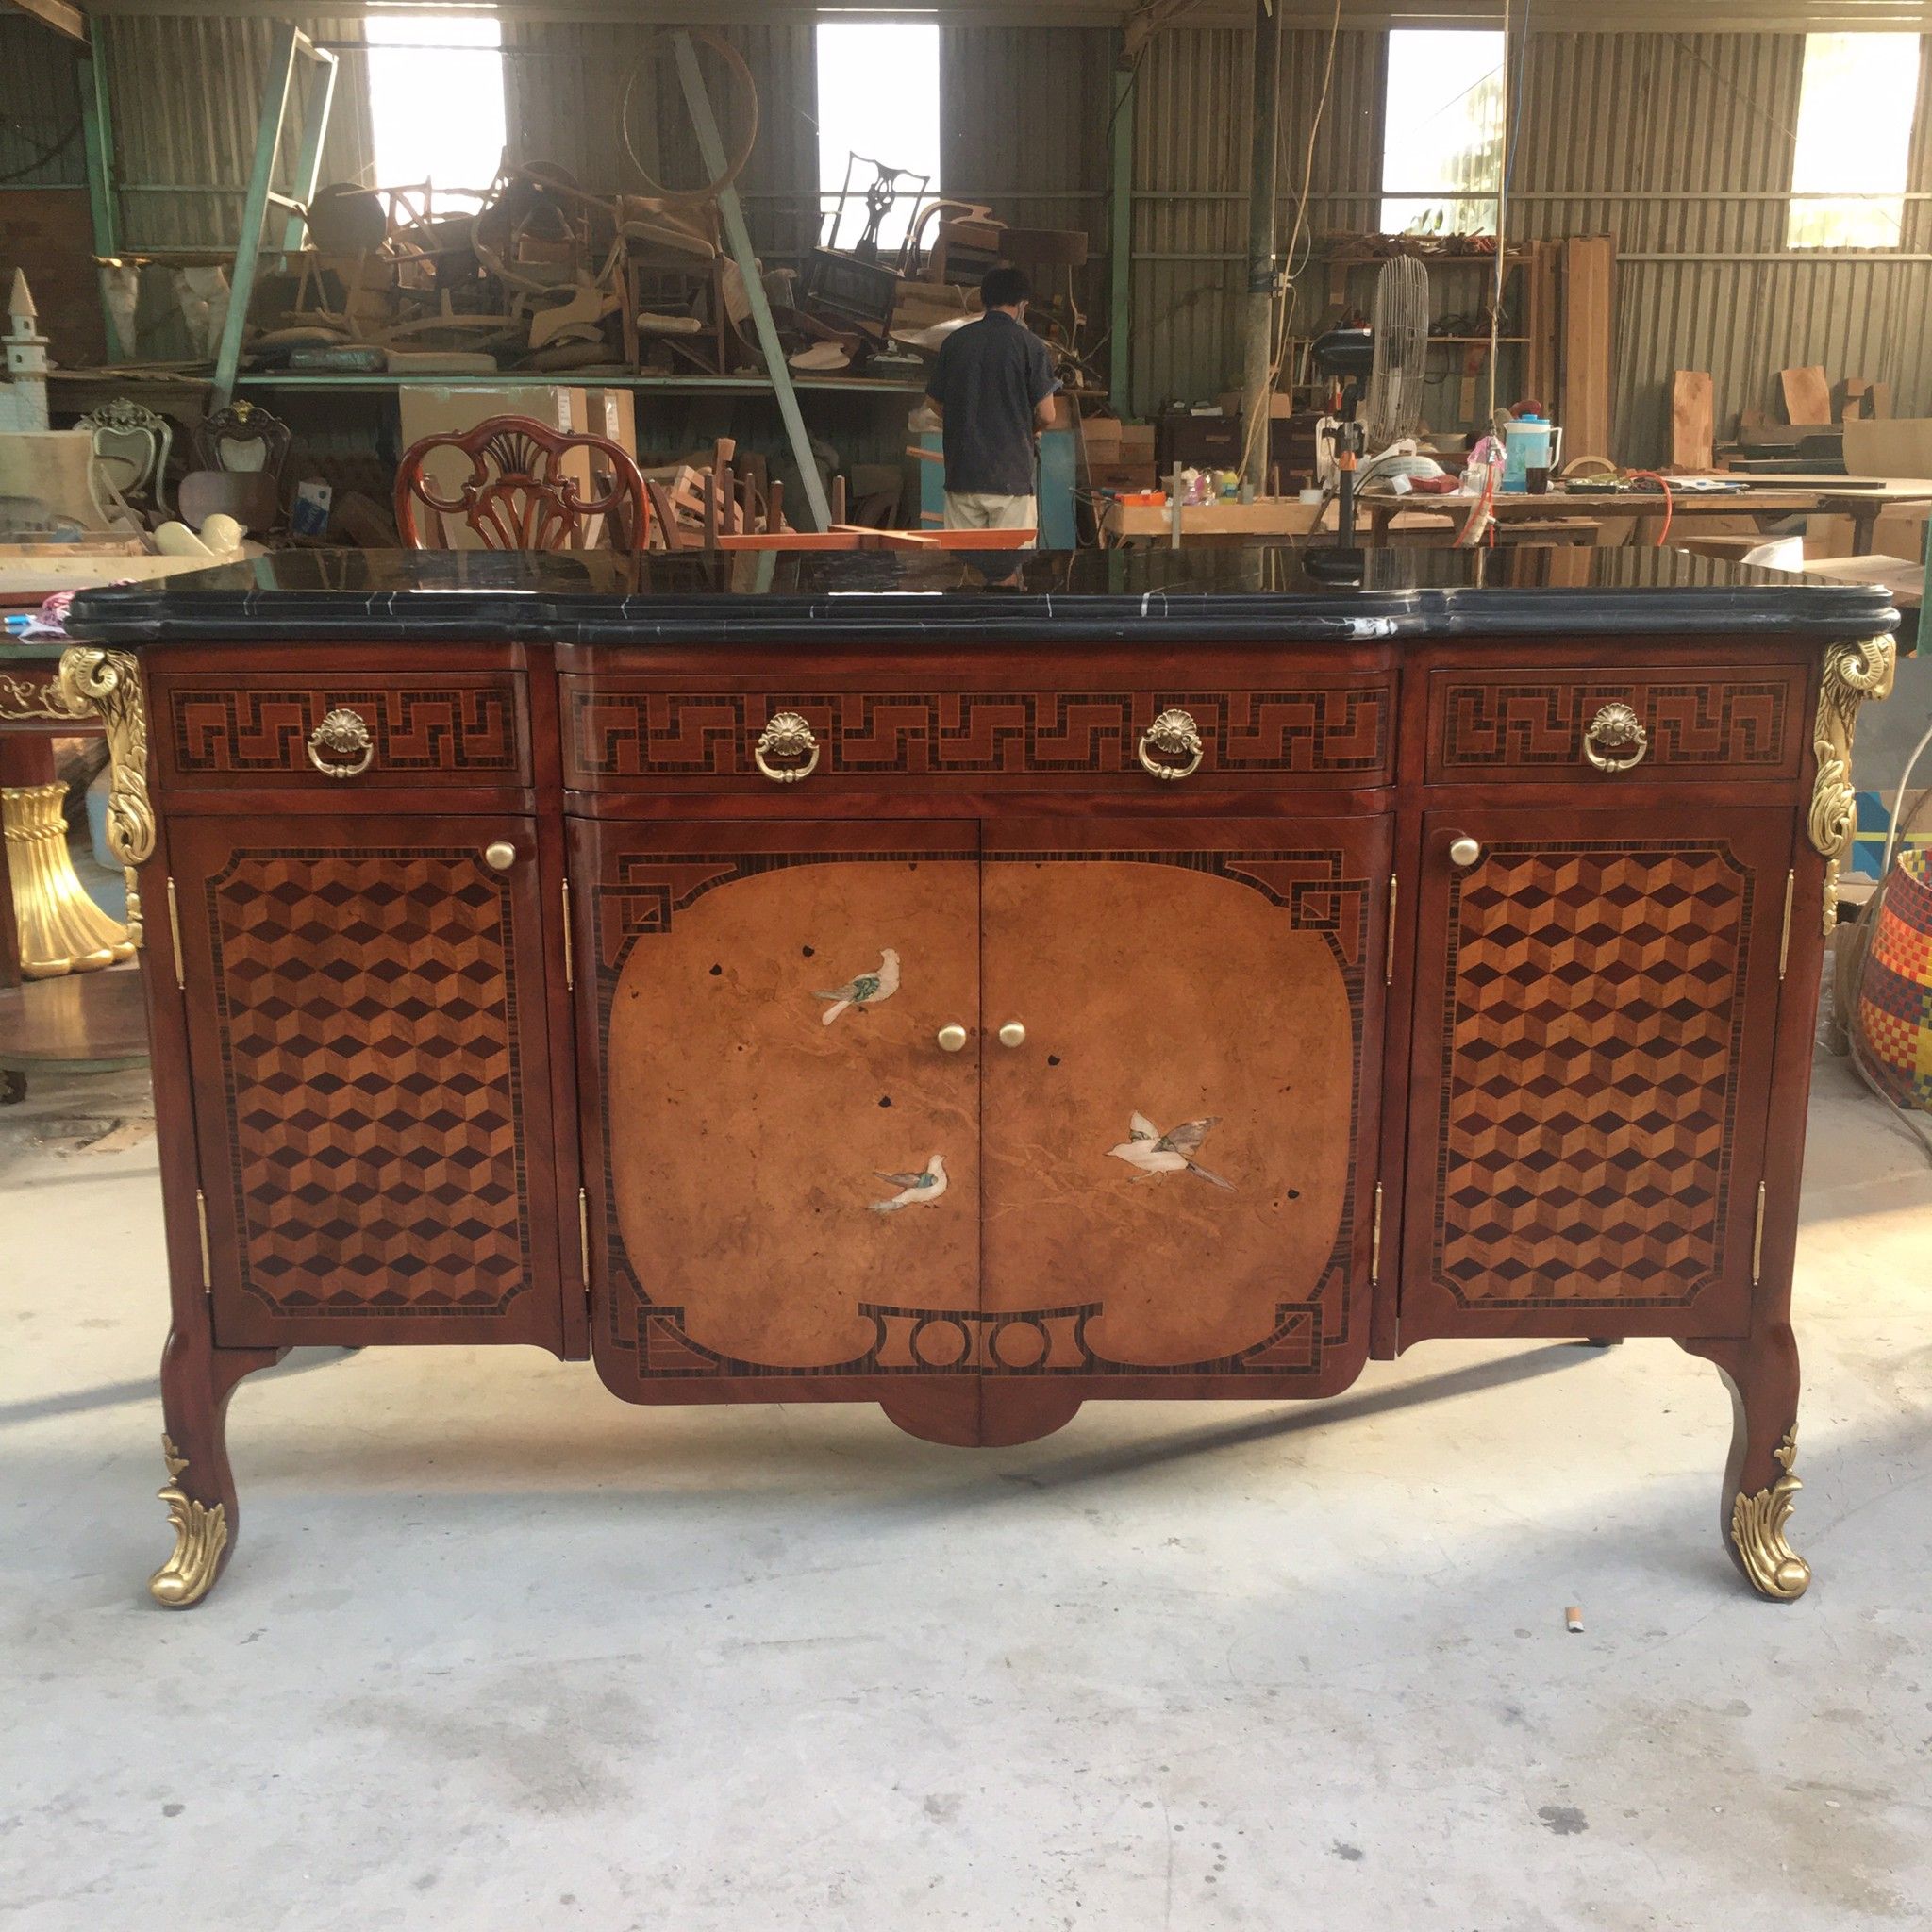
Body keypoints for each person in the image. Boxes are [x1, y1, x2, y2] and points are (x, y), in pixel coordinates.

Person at [923, 265, 1061, 537]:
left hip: (963, 474)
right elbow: (1047, 414)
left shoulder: (955, 342)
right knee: (1010, 565)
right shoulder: (1031, 345)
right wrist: (1027, 428)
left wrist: (962, 420)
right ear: (1022, 305)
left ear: (984, 300)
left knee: (965, 563)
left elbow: (933, 401)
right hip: (1010, 479)